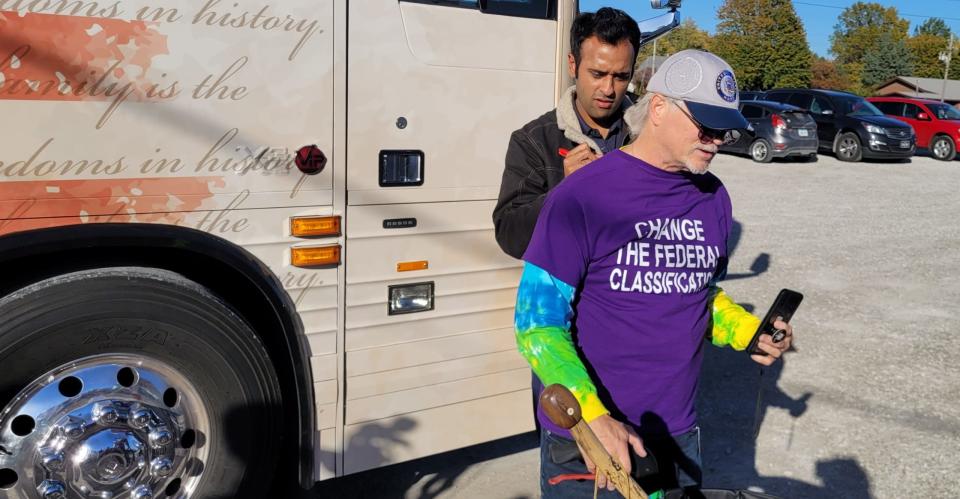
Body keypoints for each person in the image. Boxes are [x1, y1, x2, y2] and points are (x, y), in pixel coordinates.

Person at [514, 50, 796, 497]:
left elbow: (700, 294)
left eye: (724, 128)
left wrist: (746, 330)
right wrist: (592, 415)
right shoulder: (583, 194)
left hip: (677, 432)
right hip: (592, 438)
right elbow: (536, 324)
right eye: (706, 125)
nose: (717, 139)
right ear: (660, 107)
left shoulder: (713, 198)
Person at [492, 7, 640, 260]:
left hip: (636, 292)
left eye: (620, 77)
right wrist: (564, 192)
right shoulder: (533, 141)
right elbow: (510, 237)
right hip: (571, 297)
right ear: (573, 65)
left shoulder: (650, 132)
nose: (608, 89)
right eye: (597, 73)